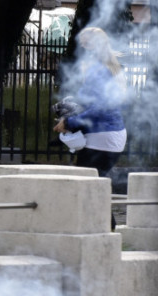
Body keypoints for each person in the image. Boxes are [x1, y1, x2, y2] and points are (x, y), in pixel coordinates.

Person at [52, 27, 128, 229]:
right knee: (94, 184)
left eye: (86, 44)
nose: (83, 49)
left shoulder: (98, 69)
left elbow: (102, 106)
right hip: (113, 135)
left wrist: (69, 123)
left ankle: (102, 231)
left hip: (101, 137)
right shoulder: (111, 66)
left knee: (88, 186)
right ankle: (103, 230)